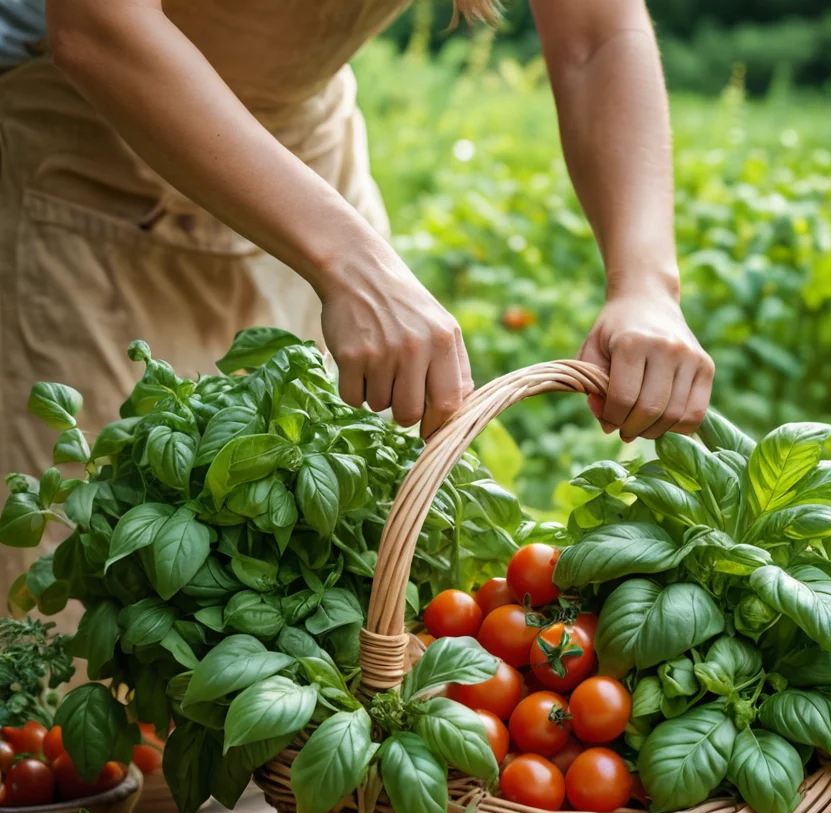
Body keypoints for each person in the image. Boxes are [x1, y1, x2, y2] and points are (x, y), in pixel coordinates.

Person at [0, 0, 714, 593]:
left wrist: (647, 282)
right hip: (85, 151)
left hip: (304, 158)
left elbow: (596, 35)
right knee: (74, 589)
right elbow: (96, 24)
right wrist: (350, 260)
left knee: (342, 571)